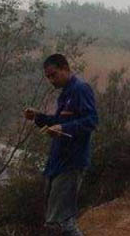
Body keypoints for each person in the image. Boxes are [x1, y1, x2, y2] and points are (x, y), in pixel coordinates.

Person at [24, 53, 98, 236]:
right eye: (48, 76)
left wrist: (64, 127)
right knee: (59, 220)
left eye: (54, 75)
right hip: (57, 163)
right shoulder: (65, 94)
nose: (51, 80)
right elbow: (57, 121)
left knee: (60, 221)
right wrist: (38, 117)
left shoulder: (81, 89)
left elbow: (92, 121)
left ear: (66, 69)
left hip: (71, 163)